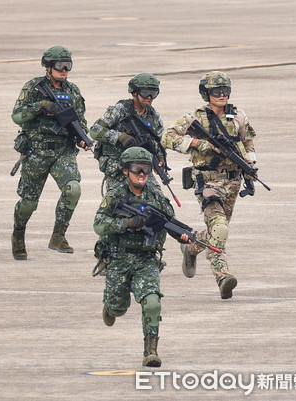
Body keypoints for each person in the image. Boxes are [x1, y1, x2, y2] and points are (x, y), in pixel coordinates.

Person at [161, 71, 258, 299]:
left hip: (233, 182)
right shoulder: (195, 117)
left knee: (218, 233)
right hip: (208, 181)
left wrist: (251, 169)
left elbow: (248, 143)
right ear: (206, 93)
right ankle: (222, 277)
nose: (222, 94)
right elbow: (167, 137)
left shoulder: (238, 116)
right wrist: (196, 143)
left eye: (225, 90)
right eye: (216, 91)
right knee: (219, 228)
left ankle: (191, 247)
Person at [93, 147, 190, 367]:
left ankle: (150, 351)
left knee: (152, 302)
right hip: (119, 258)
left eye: (146, 169)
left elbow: (170, 223)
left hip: (146, 260)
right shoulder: (116, 195)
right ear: (125, 170)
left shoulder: (156, 196)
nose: (142, 174)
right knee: (117, 308)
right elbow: (98, 225)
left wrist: (183, 237)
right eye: (137, 169)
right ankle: (110, 307)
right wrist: (128, 223)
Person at [10, 45, 91, 260]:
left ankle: (58, 236)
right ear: (47, 67)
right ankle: (18, 234)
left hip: (63, 151)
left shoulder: (73, 91)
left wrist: (83, 138)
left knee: (73, 189)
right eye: (59, 66)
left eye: (68, 66)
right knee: (28, 203)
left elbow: (80, 121)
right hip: (36, 152)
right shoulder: (33, 88)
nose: (64, 70)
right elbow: (17, 116)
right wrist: (40, 106)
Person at [89, 73, 165, 193]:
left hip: (141, 166)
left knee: (156, 196)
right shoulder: (120, 109)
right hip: (118, 165)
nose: (149, 97)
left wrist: (160, 158)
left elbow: (159, 141)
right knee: (118, 199)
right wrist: (120, 137)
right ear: (134, 92)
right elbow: (94, 130)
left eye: (153, 93)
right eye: (145, 93)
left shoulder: (153, 116)